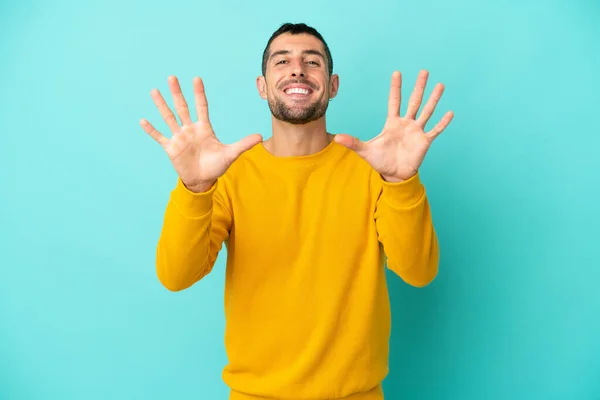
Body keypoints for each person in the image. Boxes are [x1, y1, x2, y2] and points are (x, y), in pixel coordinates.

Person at [140, 22, 453, 400]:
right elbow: (176, 275)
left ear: (333, 85)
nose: (297, 69)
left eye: (312, 61)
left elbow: (419, 271)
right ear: (262, 86)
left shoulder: (372, 169)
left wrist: (402, 182)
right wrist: (195, 188)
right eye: (282, 61)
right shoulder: (229, 174)